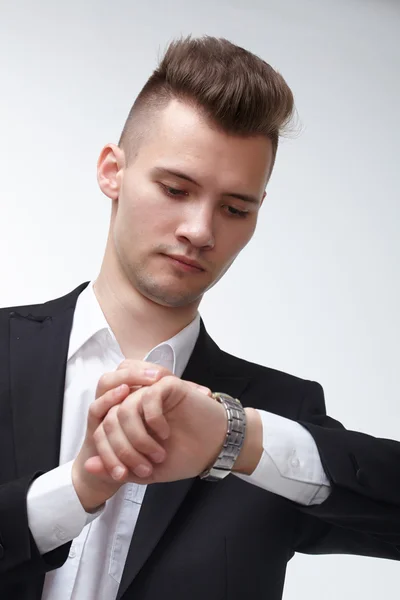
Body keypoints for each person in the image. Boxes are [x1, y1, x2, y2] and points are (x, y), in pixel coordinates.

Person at [0, 35, 399, 600]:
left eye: (235, 208)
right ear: (112, 171)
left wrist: (236, 440)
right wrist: (74, 490)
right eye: (175, 188)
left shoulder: (279, 417)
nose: (201, 230)